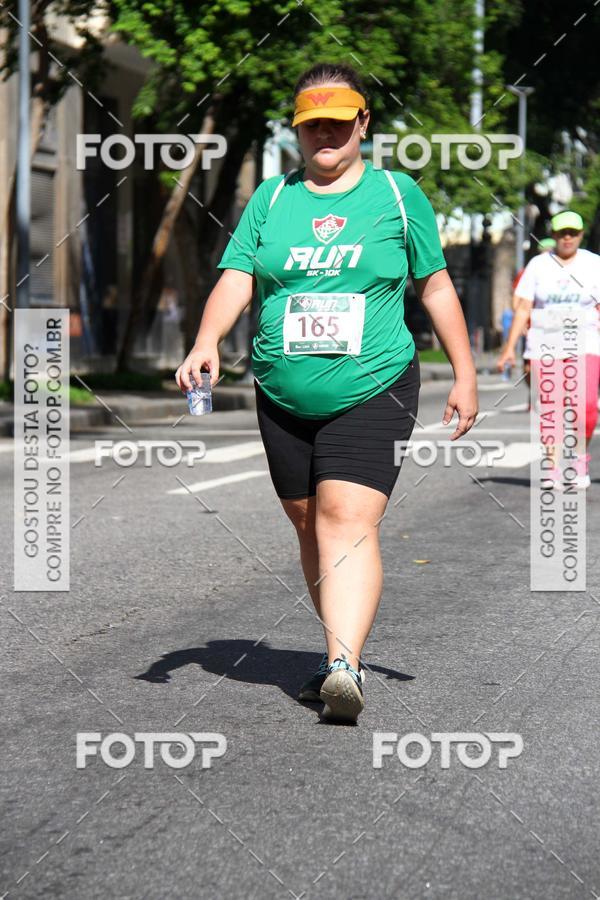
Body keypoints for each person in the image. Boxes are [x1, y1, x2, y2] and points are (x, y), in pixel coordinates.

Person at [175, 63, 478, 723]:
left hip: (375, 384)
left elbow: (434, 286)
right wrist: (205, 341)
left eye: (340, 122)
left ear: (363, 123)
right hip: (282, 393)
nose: (326, 134)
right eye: (313, 124)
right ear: (298, 130)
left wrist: (465, 372)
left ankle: (344, 664)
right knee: (310, 523)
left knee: (345, 517)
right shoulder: (273, 200)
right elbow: (236, 277)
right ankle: (335, 652)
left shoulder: (398, 197)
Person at [497, 211, 600, 488]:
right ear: (554, 235)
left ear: (580, 235)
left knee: (586, 407)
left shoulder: (594, 264)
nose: (567, 237)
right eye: (562, 232)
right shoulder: (538, 265)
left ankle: (579, 458)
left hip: (585, 342)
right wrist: (509, 349)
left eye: (573, 232)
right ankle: (553, 466)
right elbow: (523, 310)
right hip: (545, 345)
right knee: (551, 408)